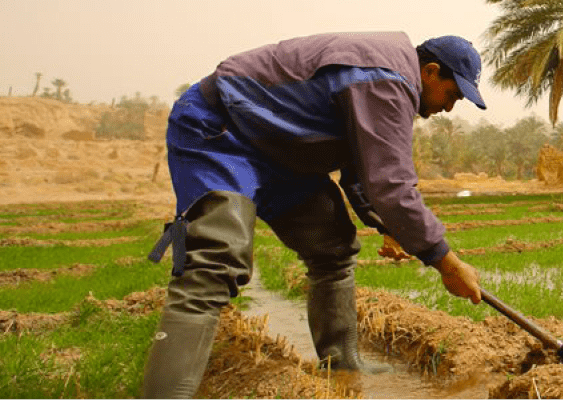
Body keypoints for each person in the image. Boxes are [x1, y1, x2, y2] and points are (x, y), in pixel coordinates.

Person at [141, 32, 484, 398]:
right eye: (452, 95)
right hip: (224, 131)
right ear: (430, 72)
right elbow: (392, 186)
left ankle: (342, 366)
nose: (449, 108)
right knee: (215, 260)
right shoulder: (387, 79)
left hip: (281, 151)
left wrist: (386, 225)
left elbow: (361, 170)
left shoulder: (386, 78)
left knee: (333, 245)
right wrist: (446, 263)